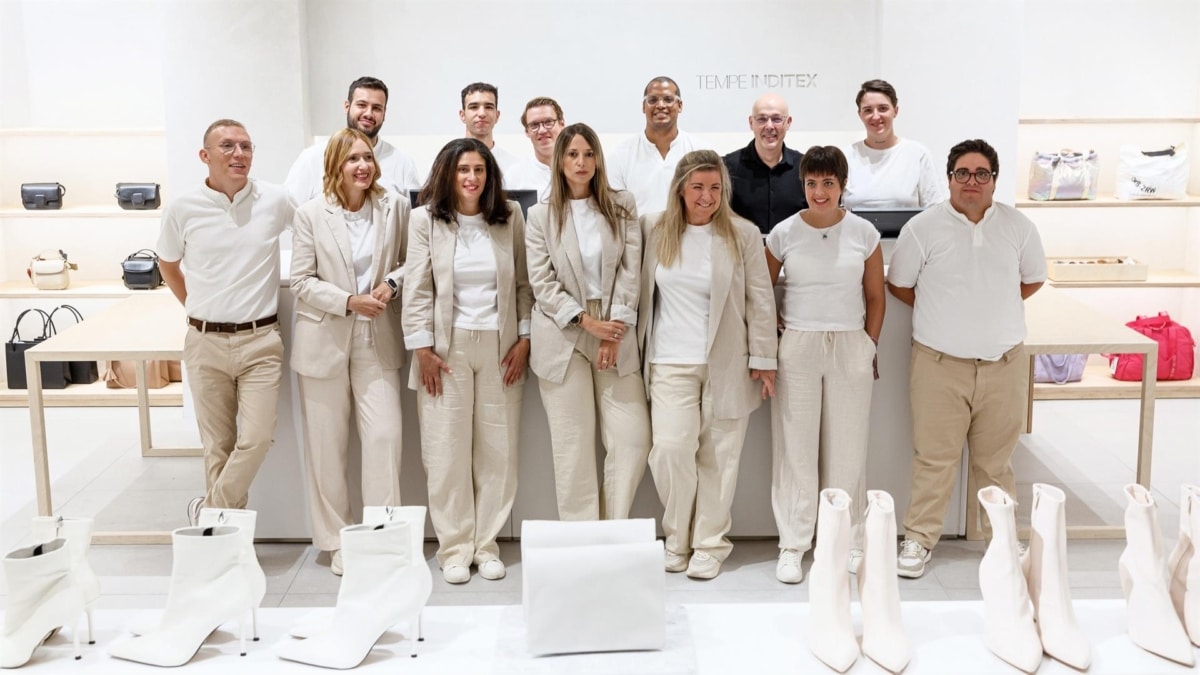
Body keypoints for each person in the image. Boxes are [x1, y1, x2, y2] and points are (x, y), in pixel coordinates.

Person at [887, 138, 1046, 579]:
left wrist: (988, 305)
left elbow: (1031, 280)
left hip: (1004, 365)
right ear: (949, 178)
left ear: (994, 179)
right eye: (962, 173)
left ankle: (1002, 538)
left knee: (996, 462)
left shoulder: (1018, 227)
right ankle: (918, 540)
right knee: (933, 459)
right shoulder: (922, 227)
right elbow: (901, 286)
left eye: (981, 174)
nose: (971, 182)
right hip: (939, 366)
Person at [638, 149, 777, 580]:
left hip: (727, 363)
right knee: (670, 450)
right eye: (698, 187)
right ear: (680, 188)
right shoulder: (654, 228)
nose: (707, 196)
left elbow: (761, 299)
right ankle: (676, 535)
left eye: (715, 187)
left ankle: (710, 543)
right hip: (669, 360)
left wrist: (764, 358)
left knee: (720, 457)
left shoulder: (743, 234)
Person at [402, 138, 533, 584]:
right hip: (446, 349)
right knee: (446, 452)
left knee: (498, 451)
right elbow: (418, 288)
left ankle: (487, 544)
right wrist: (422, 349)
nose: (472, 178)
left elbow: (523, 285)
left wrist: (524, 339)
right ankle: (455, 547)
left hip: (502, 347)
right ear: (448, 174)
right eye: (463, 170)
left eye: (479, 169)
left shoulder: (510, 216)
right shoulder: (424, 220)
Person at [158, 119, 294, 522]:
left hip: (261, 341)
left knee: (255, 439)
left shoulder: (276, 199)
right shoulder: (183, 208)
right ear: (205, 156)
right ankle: (223, 544)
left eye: (247, 147)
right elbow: (167, 264)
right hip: (204, 343)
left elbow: (315, 229)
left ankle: (209, 514)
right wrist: (195, 306)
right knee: (217, 446)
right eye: (228, 146)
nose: (240, 154)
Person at [289, 127, 410, 576]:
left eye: (368, 158)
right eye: (353, 159)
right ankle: (337, 541)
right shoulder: (310, 214)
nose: (363, 166)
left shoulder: (395, 207)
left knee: (384, 436)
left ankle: (382, 533)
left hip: (377, 334)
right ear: (335, 165)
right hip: (325, 337)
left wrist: (392, 282)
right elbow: (301, 280)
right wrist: (346, 301)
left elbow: (412, 258)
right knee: (328, 447)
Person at [764, 146, 884, 584]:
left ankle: (848, 541)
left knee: (848, 447)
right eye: (812, 183)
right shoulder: (783, 233)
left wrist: (869, 344)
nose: (819, 191)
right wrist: (774, 329)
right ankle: (793, 544)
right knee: (796, 449)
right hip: (798, 345)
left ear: (842, 185)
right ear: (803, 185)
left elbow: (875, 297)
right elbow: (762, 290)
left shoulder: (863, 233)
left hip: (851, 344)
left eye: (828, 183)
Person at [526, 123, 650, 521]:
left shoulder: (622, 204)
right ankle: (581, 536)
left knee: (632, 440)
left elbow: (632, 271)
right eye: (572, 155)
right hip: (562, 334)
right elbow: (541, 282)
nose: (581, 162)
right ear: (559, 161)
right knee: (573, 447)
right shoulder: (540, 215)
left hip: (616, 327)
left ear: (598, 159)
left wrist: (613, 328)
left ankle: (613, 529)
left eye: (588, 154)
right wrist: (585, 322)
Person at [284, 76, 421, 205]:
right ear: (347, 107)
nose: (368, 113)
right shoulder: (311, 158)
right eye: (362, 105)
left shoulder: (403, 163)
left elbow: (414, 221)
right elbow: (291, 217)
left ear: (384, 113)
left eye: (377, 108)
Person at [609, 76, 712, 215]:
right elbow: (616, 214)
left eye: (668, 99)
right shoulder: (620, 156)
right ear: (643, 107)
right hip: (640, 237)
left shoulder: (701, 152)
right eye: (652, 100)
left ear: (680, 105)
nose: (661, 105)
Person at [842, 79, 947, 209]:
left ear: (895, 111)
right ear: (860, 115)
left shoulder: (918, 154)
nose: (875, 116)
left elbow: (935, 209)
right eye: (868, 110)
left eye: (883, 109)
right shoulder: (845, 157)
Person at [723, 93, 807, 235]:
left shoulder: (805, 167)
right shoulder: (726, 167)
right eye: (762, 119)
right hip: (742, 255)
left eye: (776, 119)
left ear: (788, 122)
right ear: (751, 123)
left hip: (794, 255)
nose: (769, 126)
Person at [506, 97, 566, 202]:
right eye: (534, 125)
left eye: (548, 122)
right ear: (527, 132)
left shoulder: (580, 169)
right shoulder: (514, 177)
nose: (542, 130)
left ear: (562, 124)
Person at [459, 82, 522, 175]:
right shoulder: (444, 163)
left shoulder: (515, 167)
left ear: (497, 115)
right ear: (462, 115)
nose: (482, 114)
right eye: (474, 107)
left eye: (488, 107)